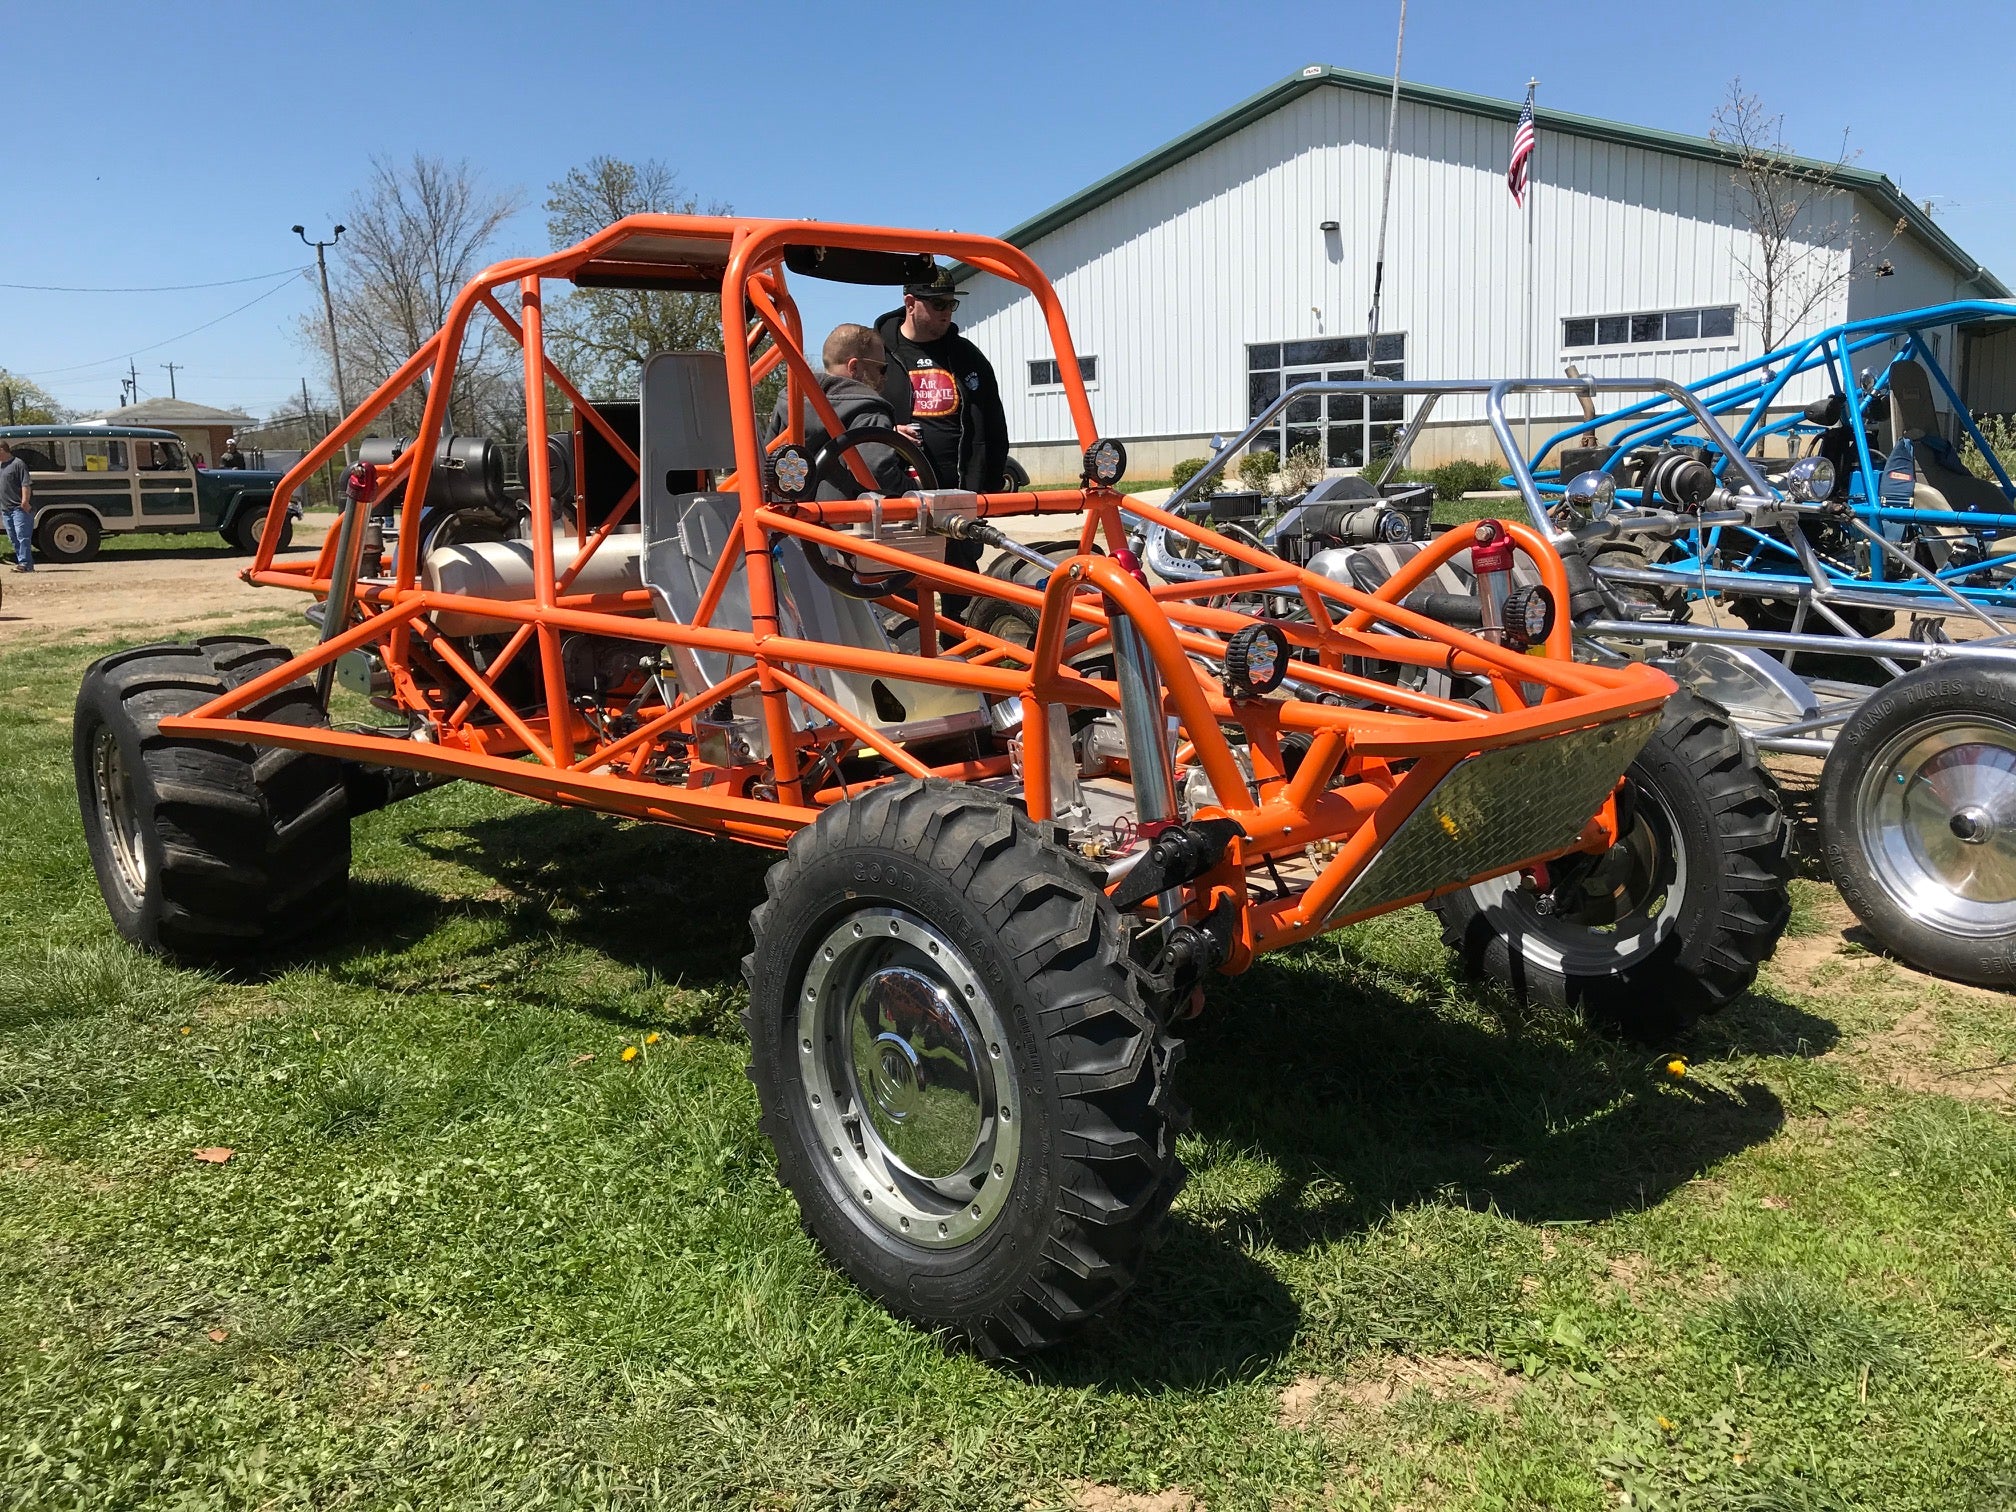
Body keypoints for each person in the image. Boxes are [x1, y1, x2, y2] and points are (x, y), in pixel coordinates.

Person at [873, 264, 1009, 617]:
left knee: (961, 587)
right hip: (898, 500)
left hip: (959, 498)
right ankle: (907, 664)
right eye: (937, 304)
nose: (946, 312)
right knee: (899, 588)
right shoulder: (879, 356)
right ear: (910, 302)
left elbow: (994, 427)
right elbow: (854, 415)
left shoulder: (966, 357)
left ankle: (968, 659)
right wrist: (889, 434)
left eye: (951, 304)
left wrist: (986, 493)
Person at [767, 323, 913, 499]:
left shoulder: (789, 403)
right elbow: (877, 474)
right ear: (855, 368)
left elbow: (766, 465)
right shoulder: (869, 410)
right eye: (881, 368)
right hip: (845, 523)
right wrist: (913, 486)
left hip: (786, 520)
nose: (885, 377)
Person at [0, 440, 32, 572]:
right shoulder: (0, 466)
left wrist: (25, 501)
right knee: (13, 537)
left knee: (22, 536)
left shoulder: (18, 464)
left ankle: (25, 564)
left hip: (18, 508)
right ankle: (22, 562)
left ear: (2, 450)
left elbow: (26, 484)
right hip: (5, 509)